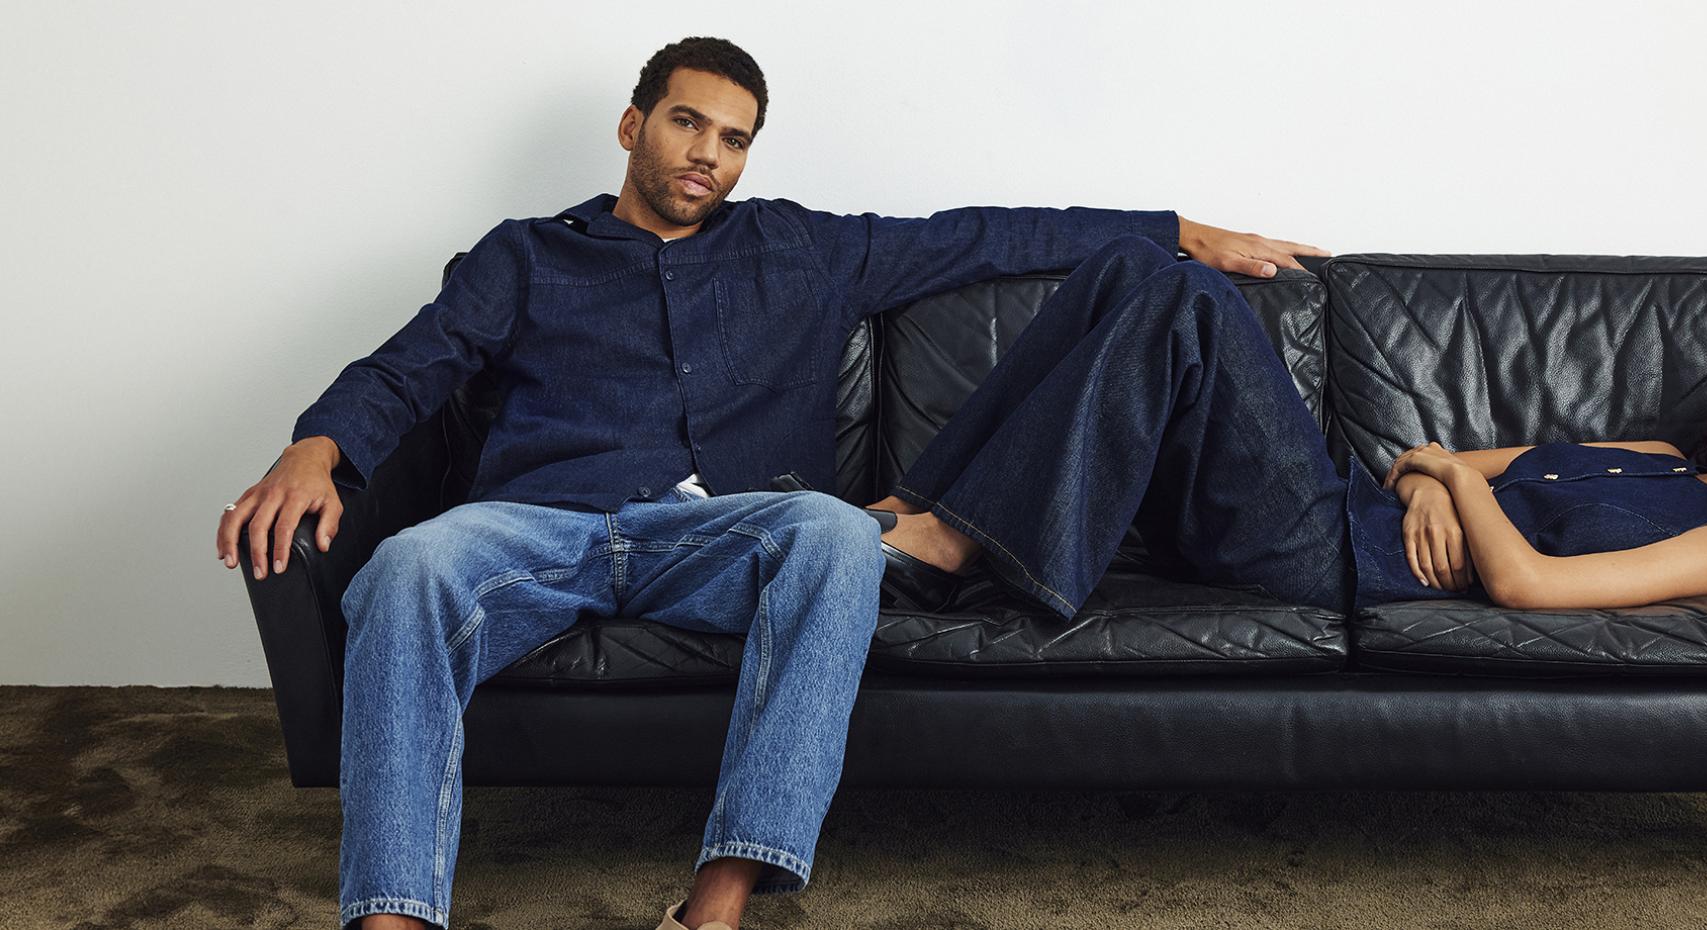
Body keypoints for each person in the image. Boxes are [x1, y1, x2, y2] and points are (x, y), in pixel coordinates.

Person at [211, 36, 1329, 930]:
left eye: (734, 138)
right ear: (634, 124)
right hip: (539, 527)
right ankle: (395, 919)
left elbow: (983, 235)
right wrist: (320, 447)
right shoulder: (525, 256)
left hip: (727, 537)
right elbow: (414, 364)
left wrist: (1178, 228)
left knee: (838, 534)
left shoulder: (802, 248)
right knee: (406, 564)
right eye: (688, 121)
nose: (707, 152)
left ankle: (721, 899)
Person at [866, 234, 1707, 621]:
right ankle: (917, 505)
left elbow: (1530, 586)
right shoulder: (1653, 454)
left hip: (1334, 562)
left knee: (1192, 298)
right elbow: (1444, 458)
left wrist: (1455, 488)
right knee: (1128, 264)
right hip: (1348, 511)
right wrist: (1430, 480)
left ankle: (952, 547)